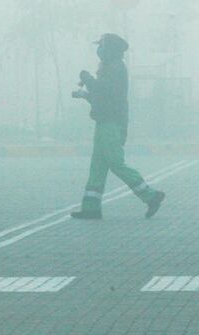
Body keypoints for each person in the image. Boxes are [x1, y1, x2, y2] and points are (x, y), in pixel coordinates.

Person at [70, 33, 165, 219]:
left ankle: (151, 195)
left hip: (112, 124)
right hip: (104, 121)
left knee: (115, 163)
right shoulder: (109, 67)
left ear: (109, 49)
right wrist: (84, 95)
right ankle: (91, 208)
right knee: (97, 166)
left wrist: (88, 79)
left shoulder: (115, 68)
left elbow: (104, 92)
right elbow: (102, 98)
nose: (99, 51)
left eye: (101, 47)